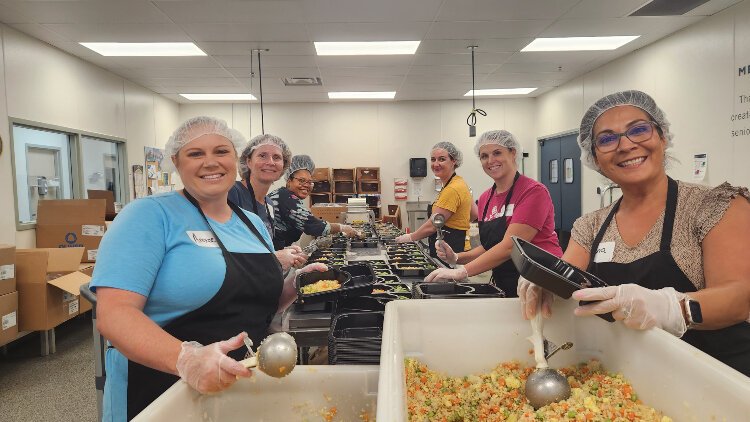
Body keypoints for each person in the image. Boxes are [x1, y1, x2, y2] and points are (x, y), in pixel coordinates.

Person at [91, 116, 327, 421]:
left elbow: (254, 304)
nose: (210, 162)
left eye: (220, 151)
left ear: (236, 159)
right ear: (176, 161)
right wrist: (185, 359)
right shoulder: (149, 216)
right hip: (159, 390)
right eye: (195, 154)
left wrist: (295, 285)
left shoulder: (252, 224)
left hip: (236, 386)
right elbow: (114, 315)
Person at [518, 90, 750, 376]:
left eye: (638, 130)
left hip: (717, 377)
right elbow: (567, 278)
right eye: (606, 139)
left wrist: (670, 308)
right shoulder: (591, 225)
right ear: (595, 159)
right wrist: (542, 282)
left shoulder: (714, 206)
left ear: (662, 137)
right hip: (634, 378)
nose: (625, 145)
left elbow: (739, 299)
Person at [425, 130, 562, 296]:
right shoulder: (485, 198)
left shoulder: (533, 192)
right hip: (506, 281)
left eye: (497, 153)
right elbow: (490, 246)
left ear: (513, 153)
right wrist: (457, 258)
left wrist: (462, 271)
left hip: (540, 282)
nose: (490, 161)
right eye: (484, 156)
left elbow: (510, 246)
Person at [228, 133, 306, 270]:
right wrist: (273, 259)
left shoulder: (269, 204)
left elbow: (263, 248)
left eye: (277, 157)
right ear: (248, 161)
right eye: (262, 155)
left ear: (284, 165)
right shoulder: (231, 193)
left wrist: (287, 252)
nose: (270, 162)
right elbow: (222, 251)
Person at [395, 141, 473, 257]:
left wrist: (410, 237)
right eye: (433, 159)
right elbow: (474, 213)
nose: (436, 164)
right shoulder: (459, 182)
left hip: (449, 249)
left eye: (441, 159)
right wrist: (458, 222)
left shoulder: (452, 189)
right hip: (457, 245)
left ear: (453, 161)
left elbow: (433, 225)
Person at [269, 154, 360, 250]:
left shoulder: (285, 196)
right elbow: (312, 225)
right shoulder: (285, 197)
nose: (306, 185)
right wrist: (342, 228)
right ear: (289, 181)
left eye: (309, 182)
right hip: (267, 255)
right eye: (301, 180)